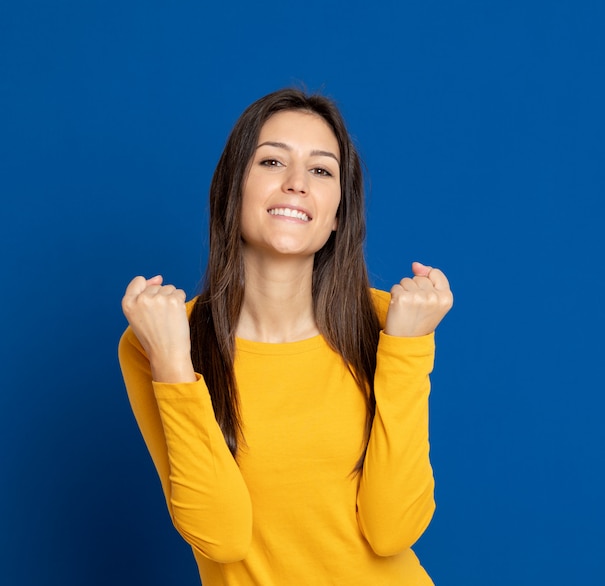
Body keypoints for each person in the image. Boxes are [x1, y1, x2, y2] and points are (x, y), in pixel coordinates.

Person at [118, 88, 453, 585]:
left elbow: (392, 529)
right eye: (272, 161)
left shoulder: (392, 320)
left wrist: (406, 349)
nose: (297, 184)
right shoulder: (163, 339)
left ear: (338, 213)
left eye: (321, 170)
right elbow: (222, 536)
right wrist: (173, 363)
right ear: (234, 187)